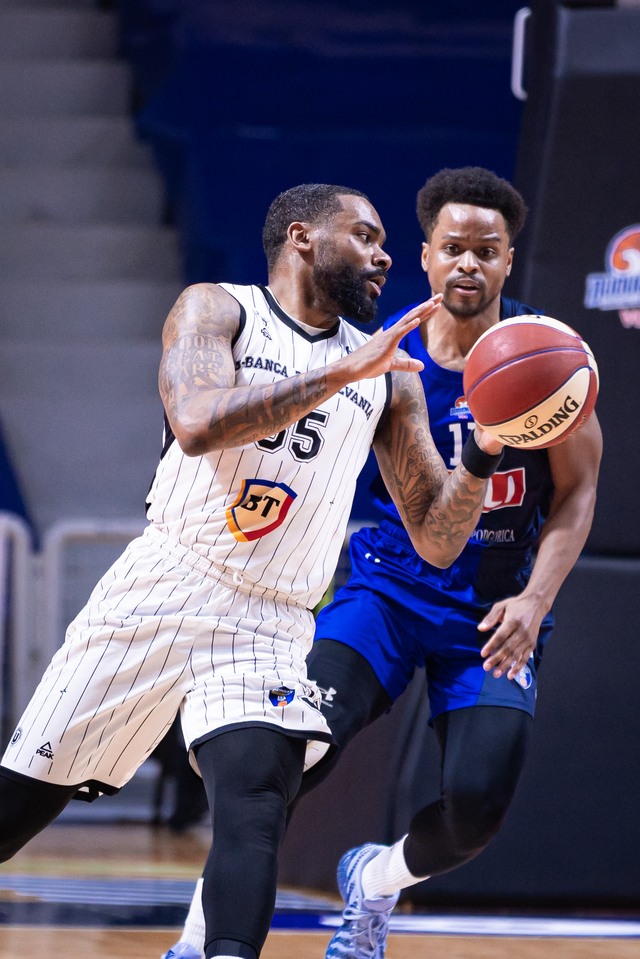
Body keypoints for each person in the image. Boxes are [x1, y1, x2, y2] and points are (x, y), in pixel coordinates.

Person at [0, 183, 505, 959]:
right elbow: (196, 422)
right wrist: (338, 375)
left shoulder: (388, 372)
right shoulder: (219, 308)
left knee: (257, 803)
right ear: (302, 237)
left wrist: (484, 451)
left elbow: (437, 537)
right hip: (163, 585)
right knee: (20, 804)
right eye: (365, 236)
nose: (383, 256)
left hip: (269, 620)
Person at [169, 168, 602, 959]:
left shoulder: (548, 359)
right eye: (453, 247)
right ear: (427, 255)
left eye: (487, 251)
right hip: (389, 587)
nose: (468, 263)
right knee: (289, 753)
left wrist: (538, 598)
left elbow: (578, 492)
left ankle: (374, 879)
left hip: (494, 607)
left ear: (509, 261)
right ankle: (200, 939)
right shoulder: (384, 356)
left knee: (476, 810)